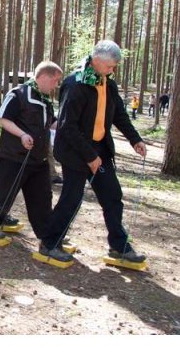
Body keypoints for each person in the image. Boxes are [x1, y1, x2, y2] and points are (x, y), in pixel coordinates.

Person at [40, 40, 147, 264]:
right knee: (72, 198)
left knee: (112, 196)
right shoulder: (75, 84)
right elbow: (67, 126)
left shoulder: (108, 84)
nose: (112, 70)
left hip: (100, 148)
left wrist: (135, 139)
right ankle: (50, 243)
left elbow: (119, 115)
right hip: (75, 150)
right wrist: (90, 156)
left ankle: (119, 246)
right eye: (109, 66)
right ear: (96, 61)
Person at [0, 61, 63, 242]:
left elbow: (51, 123)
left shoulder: (44, 99)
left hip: (39, 160)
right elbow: (2, 118)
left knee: (42, 198)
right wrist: (23, 135)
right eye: (55, 81)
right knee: (4, 193)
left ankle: (47, 236)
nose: (56, 85)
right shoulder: (18, 94)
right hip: (14, 157)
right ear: (44, 77)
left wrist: (69, 126)